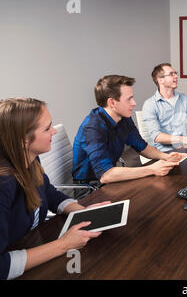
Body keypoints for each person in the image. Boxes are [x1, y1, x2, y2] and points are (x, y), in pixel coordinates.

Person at [0, 98, 110, 280]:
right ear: (23, 141)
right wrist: (64, 245)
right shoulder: (4, 184)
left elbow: (49, 193)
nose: (54, 131)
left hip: (32, 246)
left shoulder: (30, 159)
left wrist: (82, 212)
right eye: (47, 128)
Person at [72, 75, 184, 184]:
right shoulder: (92, 128)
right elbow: (105, 175)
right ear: (112, 103)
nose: (134, 103)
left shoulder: (123, 118)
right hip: (90, 189)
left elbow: (143, 147)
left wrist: (166, 156)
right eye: (129, 99)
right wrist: (152, 169)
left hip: (110, 180)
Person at [141, 63, 187, 152]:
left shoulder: (184, 98)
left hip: (185, 148)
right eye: (171, 74)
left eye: (175, 73)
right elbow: (157, 136)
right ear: (160, 80)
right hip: (164, 153)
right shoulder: (150, 104)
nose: (176, 76)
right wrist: (184, 139)